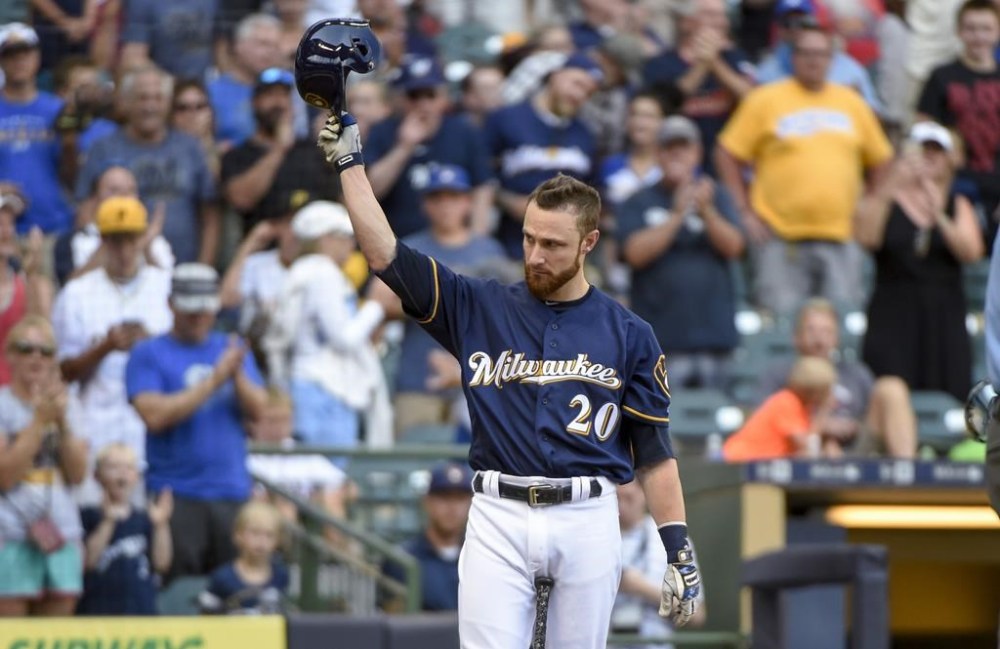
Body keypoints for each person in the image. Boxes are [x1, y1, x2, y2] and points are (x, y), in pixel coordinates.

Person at [317, 111, 700, 647]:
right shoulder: (480, 305)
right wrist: (350, 165)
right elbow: (386, 255)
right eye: (528, 239)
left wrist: (678, 547)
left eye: (553, 245)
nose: (535, 255)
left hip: (588, 513)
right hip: (497, 511)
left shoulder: (630, 333)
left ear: (588, 243)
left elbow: (654, 452)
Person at [715, 24, 893, 316]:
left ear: (832, 59)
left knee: (842, 326)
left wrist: (871, 203)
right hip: (780, 239)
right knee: (780, 327)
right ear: (792, 57)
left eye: (821, 53)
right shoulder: (765, 99)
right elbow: (726, 152)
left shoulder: (852, 104)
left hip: (842, 237)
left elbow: (883, 159)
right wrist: (743, 210)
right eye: (806, 53)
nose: (813, 60)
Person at [125, 263, 267, 580]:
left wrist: (238, 373)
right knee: (178, 592)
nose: (199, 318)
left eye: (205, 310)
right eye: (191, 311)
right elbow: (155, 415)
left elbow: (260, 411)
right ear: (171, 305)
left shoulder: (229, 348)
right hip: (176, 493)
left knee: (232, 592)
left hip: (230, 490)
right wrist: (215, 379)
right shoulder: (148, 353)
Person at [367, 164, 509, 438]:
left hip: (480, 383)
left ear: (467, 202)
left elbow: (508, 313)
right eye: (437, 198)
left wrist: (426, 299)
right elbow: (379, 299)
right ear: (425, 204)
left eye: (454, 197)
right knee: (412, 467)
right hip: (417, 379)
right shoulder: (408, 248)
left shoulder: (489, 251)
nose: (446, 206)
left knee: (477, 472)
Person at [52, 196, 174, 505]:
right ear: (103, 240)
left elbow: (180, 360)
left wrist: (150, 346)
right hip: (95, 427)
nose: (124, 248)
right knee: (92, 522)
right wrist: (104, 348)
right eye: (116, 240)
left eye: (131, 238)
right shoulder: (78, 293)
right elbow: (63, 372)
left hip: (150, 433)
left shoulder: (165, 286)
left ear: (142, 238)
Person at [855, 121, 983, 402]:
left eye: (937, 150)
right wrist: (891, 185)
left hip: (942, 315)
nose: (929, 156)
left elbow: (971, 252)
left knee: (950, 394)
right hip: (892, 312)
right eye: (922, 149)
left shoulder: (957, 203)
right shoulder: (886, 199)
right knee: (890, 389)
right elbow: (866, 238)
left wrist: (937, 212)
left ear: (950, 159)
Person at [618, 116, 745, 390]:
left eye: (683, 147)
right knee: (660, 427)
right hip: (659, 342)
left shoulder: (717, 196)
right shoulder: (639, 201)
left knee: (718, 423)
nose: (676, 153)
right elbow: (633, 254)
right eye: (668, 147)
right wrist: (677, 216)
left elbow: (735, 247)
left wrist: (707, 212)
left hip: (715, 339)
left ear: (697, 153)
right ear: (657, 154)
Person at [264, 201, 390, 455]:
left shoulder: (303, 271)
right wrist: (377, 305)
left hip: (313, 385)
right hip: (324, 389)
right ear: (324, 239)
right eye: (344, 237)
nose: (351, 245)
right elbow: (344, 338)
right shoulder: (322, 273)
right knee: (327, 478)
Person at [75, 65, 220, 266]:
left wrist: (204, 266)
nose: (150, 106)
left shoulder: (190, 147)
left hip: (185, 266)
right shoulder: (103, 149)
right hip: (123, 269)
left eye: (157, 98)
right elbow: (85, 212)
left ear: (168, 103)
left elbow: (209, 215)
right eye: (142, 98)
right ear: (126, 102)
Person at [0, 315, 88, 616]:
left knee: (55, 639)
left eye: (45, 350)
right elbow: (5, 476)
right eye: (26, 349)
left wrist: (61, 422)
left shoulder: (70, 405)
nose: (36, 356)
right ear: (10, 355)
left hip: (61, 532)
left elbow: (77, 474)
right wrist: (39, 421)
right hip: (9, 533)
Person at [755, 299, 918, 458]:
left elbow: (872, 419)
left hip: (855, 451)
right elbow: (763, 422)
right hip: (800, 452)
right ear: (796, 337)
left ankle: (907, 473)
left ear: (837, 338)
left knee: (892, 387)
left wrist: (852, 427)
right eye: (811, 330)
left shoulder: (855, 372)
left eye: (827, 331)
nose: (819, 339)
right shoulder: (779, 374)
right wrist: (820, 427)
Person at [485, 53, 604, 258]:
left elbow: (593, 194)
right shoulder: (506, 119)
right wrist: (507, 200)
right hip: (509, 245)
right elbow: (480, 174)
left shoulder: (585, 135)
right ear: (555, 76)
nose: (580, 95)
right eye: (577, 83)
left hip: (563, 254)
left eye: (588, 92)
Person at [363, 55, 494, 239]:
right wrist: (404, 147)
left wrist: (476, 239)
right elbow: (369, 193)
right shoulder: (383, 131)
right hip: (395, 243)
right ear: (401, 99)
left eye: (430, 95)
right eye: (414, 96)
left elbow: (482, 187)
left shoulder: (464, 132)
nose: (423, 104)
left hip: (452, 245)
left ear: (444, 98)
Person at [221, 67, 340, 235]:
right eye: (269, 95)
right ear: (254, 103)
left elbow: (338, 198)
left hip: (317, 245)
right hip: (264, 251)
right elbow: (242, 200)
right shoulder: (237, 155)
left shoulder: (312, 150)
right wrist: (279, 149)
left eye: (284, 96)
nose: (278, 103)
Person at [641, 0, 754, 174]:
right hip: (674, 166)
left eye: (723, 15)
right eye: (711, 15)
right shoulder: (660, 63)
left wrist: (715, 62)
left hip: (728, 167)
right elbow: (664, 105)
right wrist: (702, 65)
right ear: (686, 21)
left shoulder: (734, 57)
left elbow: (753, 99)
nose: (722, 22)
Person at [916, 0, 1000, 232]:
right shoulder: (941, 76)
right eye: (971, 28)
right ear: (959, 31)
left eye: (986, 28)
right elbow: (923, 132)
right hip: (956, 186)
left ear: (998, 31)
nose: (978, 36)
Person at [75, 443, 173, 615]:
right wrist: (108, 521)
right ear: (96, 475)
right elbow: (87, 561)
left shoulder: (144, 519)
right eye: (113, 467)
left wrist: (161, 525)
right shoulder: (87, 515)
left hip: (140, 611)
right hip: (97, 611)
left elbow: (161, 563)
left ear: (136, 476)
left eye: (129, 467)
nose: (122, 473)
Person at [612, 479, 706, 648]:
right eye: (616, 499)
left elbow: (696, 614)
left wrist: (642, 588)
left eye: (629, 498)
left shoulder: (672, 542)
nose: (621, 507)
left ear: (644, 494)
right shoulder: (597, 541)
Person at [0, 23, 74, 237]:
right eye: (11, 54)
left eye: (25, 52)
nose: (19, 60)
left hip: (55, 222)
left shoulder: (59, 109)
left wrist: (71, 144)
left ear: (37, 56)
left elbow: (73, 173)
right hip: (5, 228)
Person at [756, 0, 883, 112]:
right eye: (788, 23)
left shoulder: (849, 69)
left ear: (817, 23)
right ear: (778, 28)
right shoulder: (768, 70)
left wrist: (853, 102)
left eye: (803, 22)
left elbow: (873, 117)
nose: (795, 29)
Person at [382, 462, 473, 612]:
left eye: (460, 498)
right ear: (427, 502)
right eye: (444, 497)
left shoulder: (479, 556)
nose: (452, 507)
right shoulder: (402, 559)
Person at [724, 356, 840, 461]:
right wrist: (824, 410)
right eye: (826, 390)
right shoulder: (787, 402)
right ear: (814, 392)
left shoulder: (803, 407)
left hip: (761, 465)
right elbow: (807, 446)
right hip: (739, 463)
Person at [198, 501, 289, 615]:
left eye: (269, 535)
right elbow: (206, 617)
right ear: (238, 535)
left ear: (278, 540)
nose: (261, 541)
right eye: (255, 533)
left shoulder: (281, 576)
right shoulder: (221, 578)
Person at [0, 189, 51, 385]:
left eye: (10, 224)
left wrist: (32, 275)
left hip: (19, 401)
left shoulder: (28, 284)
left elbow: (43, 341)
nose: (7, 232)